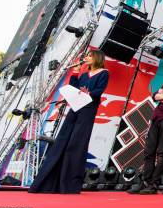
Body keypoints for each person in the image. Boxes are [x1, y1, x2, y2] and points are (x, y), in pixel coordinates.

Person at [29, 50, 109, 194]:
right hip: (76, 107)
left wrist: (88, 93)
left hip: (88, 109)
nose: (87, 58)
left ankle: (69, 183)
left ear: (97, 58)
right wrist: (75, 73)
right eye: (87, 56)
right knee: (63, 140)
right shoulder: (84, 75)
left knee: (77, 143)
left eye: (90, 56)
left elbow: (99, 91)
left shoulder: (104, 73)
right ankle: (50, 181)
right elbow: (74, 87)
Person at [128, 60, 163, 194]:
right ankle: (145, 181)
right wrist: (162, 96)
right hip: (156, 117)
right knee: (149, 150)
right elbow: (155, 95)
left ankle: (154, 183)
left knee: (161, 151)